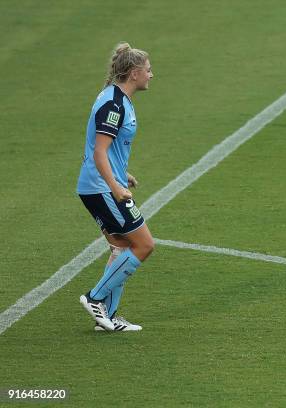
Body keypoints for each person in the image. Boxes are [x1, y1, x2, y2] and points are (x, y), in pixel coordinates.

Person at [76, 42, 154, 331]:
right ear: (133, 73)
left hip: (101, 184)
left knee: (121, 248)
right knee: (144, 244)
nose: (151, 75)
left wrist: (123, 172)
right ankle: (94, 298)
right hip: (102, 188)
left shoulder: (115, 97)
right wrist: (116, 186)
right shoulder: (114, 104)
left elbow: (106, 150)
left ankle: (106, 316)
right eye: (148, 70)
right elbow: (99, 151)